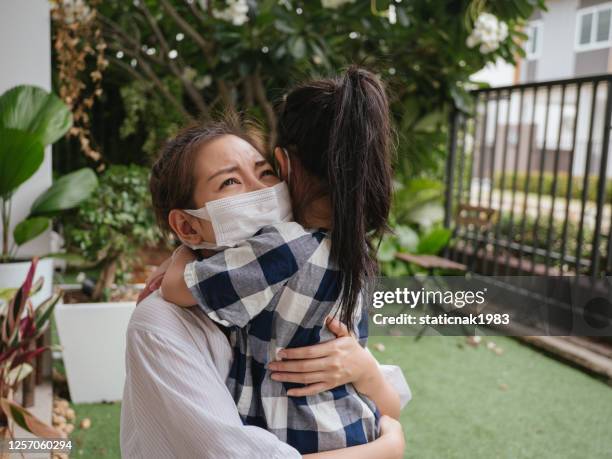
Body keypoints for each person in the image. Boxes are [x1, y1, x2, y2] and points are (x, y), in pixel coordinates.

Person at [160, 67, 399, 454]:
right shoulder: (357, 256)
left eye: (266, 173)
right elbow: (383, 397)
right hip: (356, 431)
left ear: (284, 164)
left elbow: (175, 289)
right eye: (231, 181)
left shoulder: (284, 247)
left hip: (294, 444)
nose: (258, 190)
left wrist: (183, 251)